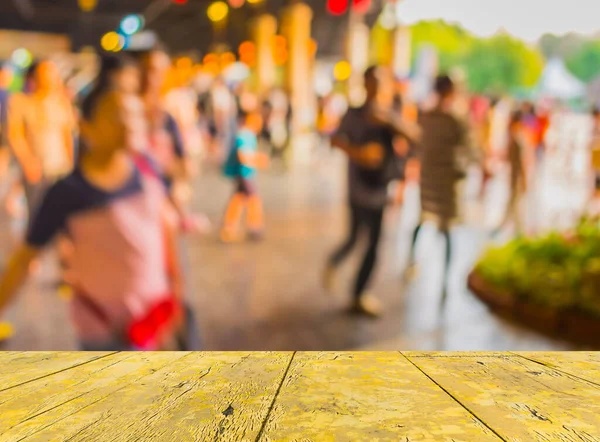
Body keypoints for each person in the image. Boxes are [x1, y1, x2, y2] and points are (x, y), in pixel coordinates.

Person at [0, 89, 189, 351]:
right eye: (117, 115)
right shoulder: (68, 192)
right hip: (104, 330)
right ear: (86, 127)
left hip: (155, 319)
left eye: (134, 115)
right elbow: (24, 259)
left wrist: (176, 292)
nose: (129, 123)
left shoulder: (146, 167)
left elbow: (164, 230)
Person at [322, 65, 420, 318]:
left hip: (380, 192)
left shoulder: (391, 114)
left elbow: (416, 137)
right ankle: (338, 268)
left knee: (373, 246)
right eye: (371, 82)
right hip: (358, 189)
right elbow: (335, 140)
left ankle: (358, 293)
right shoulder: (354, 114)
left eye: (380, 82)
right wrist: (358, 153)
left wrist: (389, 120)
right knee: (355, 238)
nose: (376, 87)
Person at [407, 75, 482, 306]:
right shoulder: (455, 119)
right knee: (445, 229)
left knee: (424, 221)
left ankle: (414, 263)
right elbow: (471, 149)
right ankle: (444, 279)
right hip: (446, 181)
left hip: (430, 178)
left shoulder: (427, 116)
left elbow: (418, 144)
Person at [7, 60, 76, 221]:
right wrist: (28, 161)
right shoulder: (21, 102)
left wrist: (72, 167)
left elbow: (68, 137)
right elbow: (15, 135)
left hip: (60, 168)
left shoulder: (62, 103)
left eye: (53, 73)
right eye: (46, 73)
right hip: (37, 170)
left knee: (62, 215)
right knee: (37, 214)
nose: (51, 78)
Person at [220, 108, 269, 242]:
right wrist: (258, 160)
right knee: (253, 199)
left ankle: (229, 226)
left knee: (238, 198)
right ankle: (254, 227)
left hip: (244, 173)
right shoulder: (245, 135)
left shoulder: (246, 135)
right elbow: (244, 156)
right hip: (244, 174)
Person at [493, 110, 527, 236]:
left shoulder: (515, 138)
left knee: (514, 204)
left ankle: (515, 228)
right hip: (513, 177)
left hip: (514, 177)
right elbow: (516, 161)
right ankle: (513, 228)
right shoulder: (514, 138)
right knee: (513, 204)